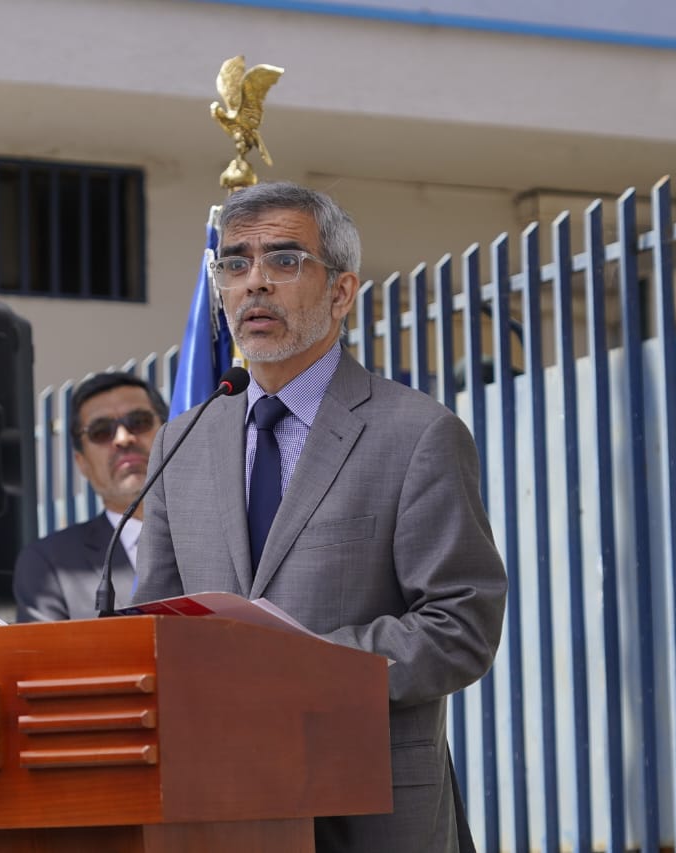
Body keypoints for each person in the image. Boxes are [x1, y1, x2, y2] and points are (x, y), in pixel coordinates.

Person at [133, 182, 507, 853]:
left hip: (370, 811)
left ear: (341, 292)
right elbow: (150, 628)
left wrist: (301, 668)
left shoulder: (417, 433)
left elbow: (461, 626)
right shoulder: (181, 442)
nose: (254, 283)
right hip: (215, 804)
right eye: (235, 263)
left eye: (284, 260)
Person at [14, 371, 168, 621]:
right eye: (101, 431)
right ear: (82, 462)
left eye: (139, 421)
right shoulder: (50, 565)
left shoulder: (222, 535)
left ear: (169, 432)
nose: (123, 438)